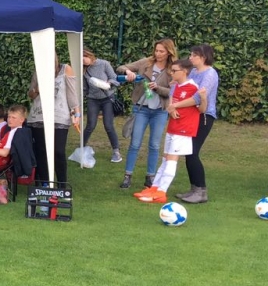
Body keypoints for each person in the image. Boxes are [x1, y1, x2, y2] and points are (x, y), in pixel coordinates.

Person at [136, 59, 206, 204]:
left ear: (184, 72)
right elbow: (171, 102)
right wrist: (171, 108)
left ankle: (162, 192)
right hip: (173, 126)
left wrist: (202, 99)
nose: (171, 73)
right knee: (166, 159)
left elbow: (201, 108)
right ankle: (155, 187)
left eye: (174, 71)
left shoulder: (192, 87)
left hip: (184, 129)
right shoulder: (176, 85)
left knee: (172, 161)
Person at [116, 38, 176, 189]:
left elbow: (173, 91)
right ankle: (127, 176)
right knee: (135, 144)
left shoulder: (173, 69)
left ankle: (150, 177)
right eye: (156, 50)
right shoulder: (146, 62)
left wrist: (158, 88)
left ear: (169, 52)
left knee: (154, 145)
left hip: (160, 111)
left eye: (162, 51)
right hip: (141, 109)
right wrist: (128, 72)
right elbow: (121, 67)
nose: (158, 54)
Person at [175, 44, 219, 204]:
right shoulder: (193, 72)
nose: (190, 57)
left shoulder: (210, 74)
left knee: (193, 152)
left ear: (204, 57)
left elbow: (198, 98)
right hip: (192, 116)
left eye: (194, 55)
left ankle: (201, 192)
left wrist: (175, 105)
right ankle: (194, 189)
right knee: (188, 152)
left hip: (204, 116)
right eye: (191, 54)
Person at [27, 56, 80, 185]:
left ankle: (62, 184)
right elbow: (31, 94)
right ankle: (44, 182)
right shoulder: (38, 71)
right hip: (39, 116)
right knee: (41, 151)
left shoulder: (65, 69)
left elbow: (72, 94)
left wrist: (77, 113)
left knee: (58, 151)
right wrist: (37, 90)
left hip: (59, 117)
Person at [82, 48, 123, 162]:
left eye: (84, 59)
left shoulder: (104, 64)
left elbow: (114, 78)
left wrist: (109, 83)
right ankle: (81, 148)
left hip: (107, 99)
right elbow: (85, 88)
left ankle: (116, 152)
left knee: (108, 125)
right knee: (90, 125)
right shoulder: (84, 70)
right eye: (81, 61)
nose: (83, 62)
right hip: (93, 99)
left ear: (89, 55)